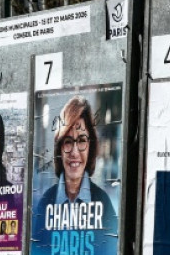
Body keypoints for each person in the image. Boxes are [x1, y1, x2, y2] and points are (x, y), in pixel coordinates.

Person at [34, 96, 117, 228]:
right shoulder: (44, 204)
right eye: (68, 142)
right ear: (59, 148)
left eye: (82, 141)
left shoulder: (104, 205)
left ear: (91, 146)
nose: (74, 152)